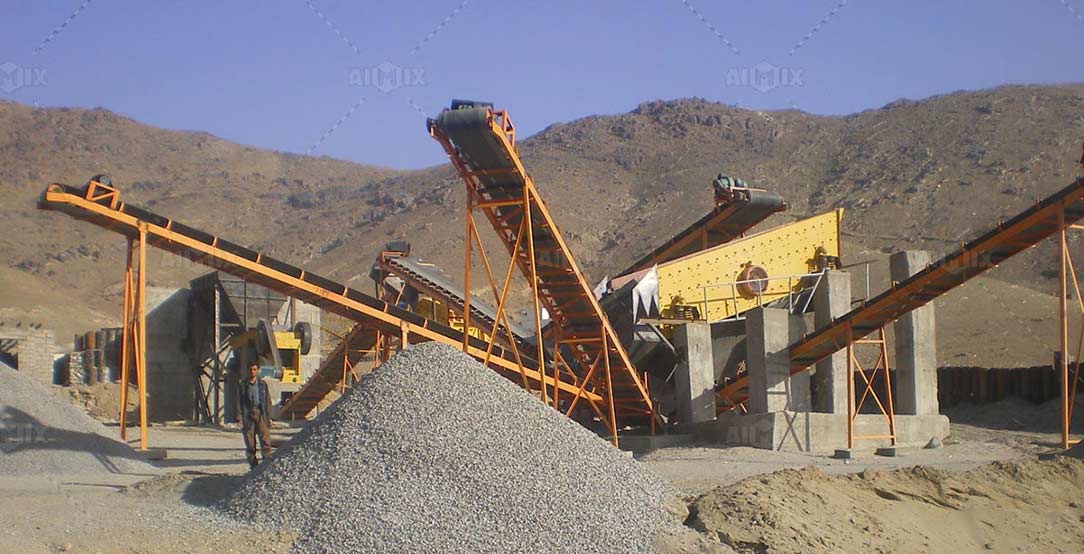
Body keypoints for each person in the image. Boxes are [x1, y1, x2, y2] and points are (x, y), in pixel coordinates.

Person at [236, 361, 273, 469]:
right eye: (250, 370)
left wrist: (269, 417)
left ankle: (266, 466)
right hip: (248, 415)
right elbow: (238, 401)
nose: (252, 372)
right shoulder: (243, 385)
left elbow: (267, 400)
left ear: (257, 370)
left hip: (261, 414)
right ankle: (254, 468)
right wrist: (239, 417)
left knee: (266, 441)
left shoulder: (262, 384)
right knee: (250, 444)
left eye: (254, 369)